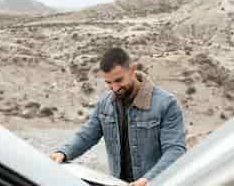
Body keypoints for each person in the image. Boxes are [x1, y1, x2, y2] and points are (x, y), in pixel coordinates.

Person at [50, 48, 186, 186]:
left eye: (119, 80)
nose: (114, 88)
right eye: (108, 83)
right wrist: (63, 152)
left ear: (132, 70)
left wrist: (148, 179)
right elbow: (87, 135)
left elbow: (175, 151)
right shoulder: (105, 102)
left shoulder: (166, 104)